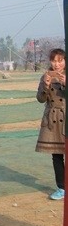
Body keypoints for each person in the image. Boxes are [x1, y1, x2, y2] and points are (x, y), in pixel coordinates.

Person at [35, 47, 66, 200]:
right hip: (53, 120)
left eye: (60, 61)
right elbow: (40, 99)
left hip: (66, 117)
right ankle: (62, 188)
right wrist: (46, 85)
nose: (56, 64)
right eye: (54, 61)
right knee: (57, 155)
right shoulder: (45, 76)